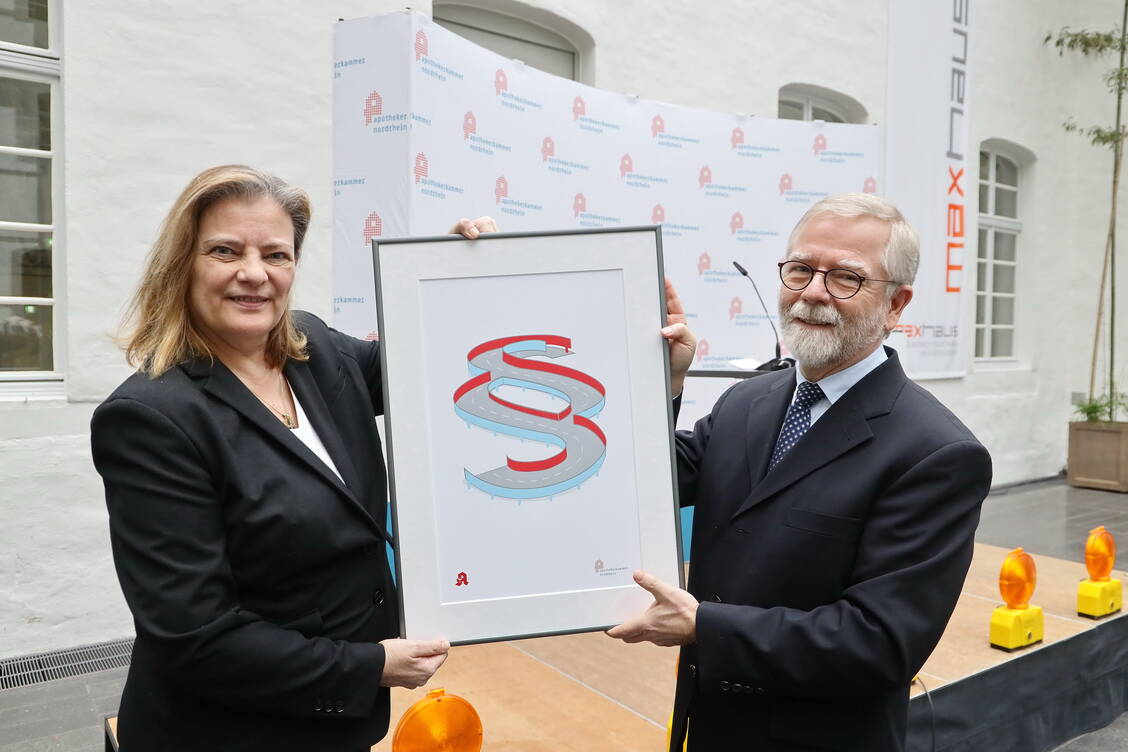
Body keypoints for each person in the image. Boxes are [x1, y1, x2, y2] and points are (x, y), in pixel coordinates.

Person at [90, 164, 496, 751]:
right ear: (183, 264)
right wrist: (369, 667)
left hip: (333, 729)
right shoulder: (152, 418)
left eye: (276, 255)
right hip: (226, 733)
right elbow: (195, 637)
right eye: (225, 250)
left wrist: (460, 275)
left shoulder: (317, 350)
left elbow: (430, 362)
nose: (253, 274)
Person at [608, 193, 992, 752]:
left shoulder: (937, 454)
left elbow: (879, 643)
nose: (813, 291)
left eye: (846, 278)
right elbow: (652, 480)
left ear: (896, 305)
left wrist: (706, 628)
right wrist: (659, 384)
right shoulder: (749, 401)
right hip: (709, 725)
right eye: (801, 269)